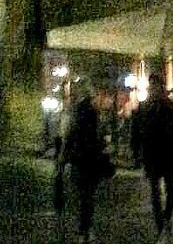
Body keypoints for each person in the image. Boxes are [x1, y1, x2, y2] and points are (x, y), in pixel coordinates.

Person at [130, 72, 173, 240]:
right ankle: (161, 225)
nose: (154, 90)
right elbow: (135, 132)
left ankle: (166, 218)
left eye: (157, 86)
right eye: (152, 87)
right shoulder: (143, 108)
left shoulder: (170, 107)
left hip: (169, 155)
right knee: (155, 193)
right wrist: (136, 153)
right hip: (152, 155)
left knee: (172, 192)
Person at [62, 89, 108, 244]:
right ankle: (85, 229)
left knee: (84, 197)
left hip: (80, 162)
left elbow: (69, 138)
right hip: (89, 162)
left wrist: (64, 157)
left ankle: (84, 229)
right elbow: (96, 141)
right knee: (88, 197)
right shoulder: (92, 117)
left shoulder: (78, 116)